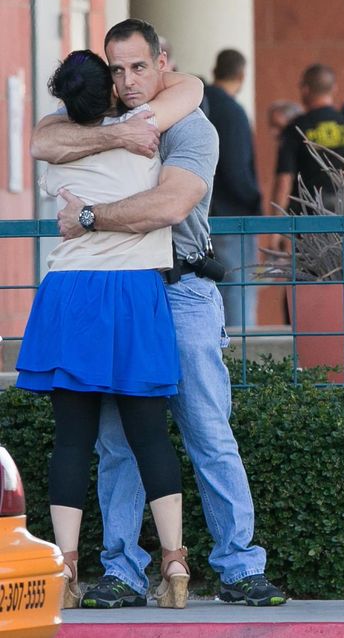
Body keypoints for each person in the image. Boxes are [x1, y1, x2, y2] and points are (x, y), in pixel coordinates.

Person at [30, 18, 286, 609]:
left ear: (162, 62)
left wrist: (89, 215)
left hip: (183, 289)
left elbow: (170, 204)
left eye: (139, 67)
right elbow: (44, 139)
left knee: (207, 432)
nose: (127, 81)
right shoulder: (104, 126)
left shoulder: (193, 125)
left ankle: (239, 565)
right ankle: (121, 571)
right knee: (118, 443)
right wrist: (114, 138)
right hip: (124, 293)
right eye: (116, 70)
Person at [17, 49, 203, 609]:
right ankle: (174, 563)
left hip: (70, 292)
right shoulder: (141, 130)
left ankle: (66, 570)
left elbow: (45, 137)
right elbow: (191, 88)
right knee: (150, 435)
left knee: (72, 441)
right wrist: (126, 124)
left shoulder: (62, 146)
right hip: (133, 290)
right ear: (113, 92)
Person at [271, 63, 344, 221]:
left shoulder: (296, 127)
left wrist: (276, 226)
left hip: (310, 218)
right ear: (334, 88)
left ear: (305, 90)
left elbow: (284, 180)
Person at [203, 49, 262, 328]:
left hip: (198, 214)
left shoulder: (200, 103)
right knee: (238, 290)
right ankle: (240, 361)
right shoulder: (233, 111)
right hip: (232, 217)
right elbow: (237, 170)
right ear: (241, 75)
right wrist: (256, 203)